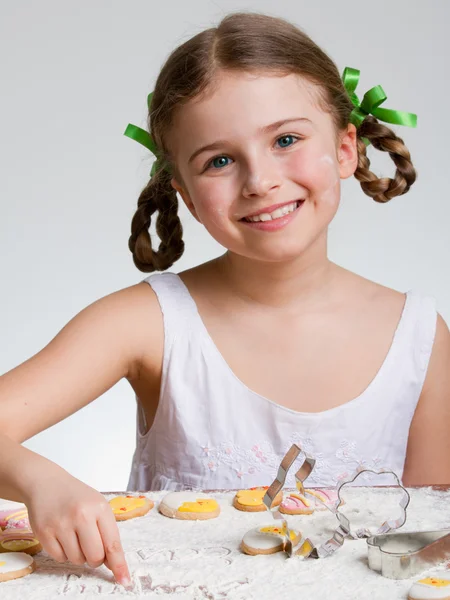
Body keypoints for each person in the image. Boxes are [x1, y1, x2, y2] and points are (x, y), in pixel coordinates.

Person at [0, 11, 448, 589]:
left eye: (286, 139)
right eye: (220, 160)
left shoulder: (418, 335)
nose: (259, 180)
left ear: (344, 149)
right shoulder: (145, 323)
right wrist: (41, 479)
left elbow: (431, 535)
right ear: (183, 192)